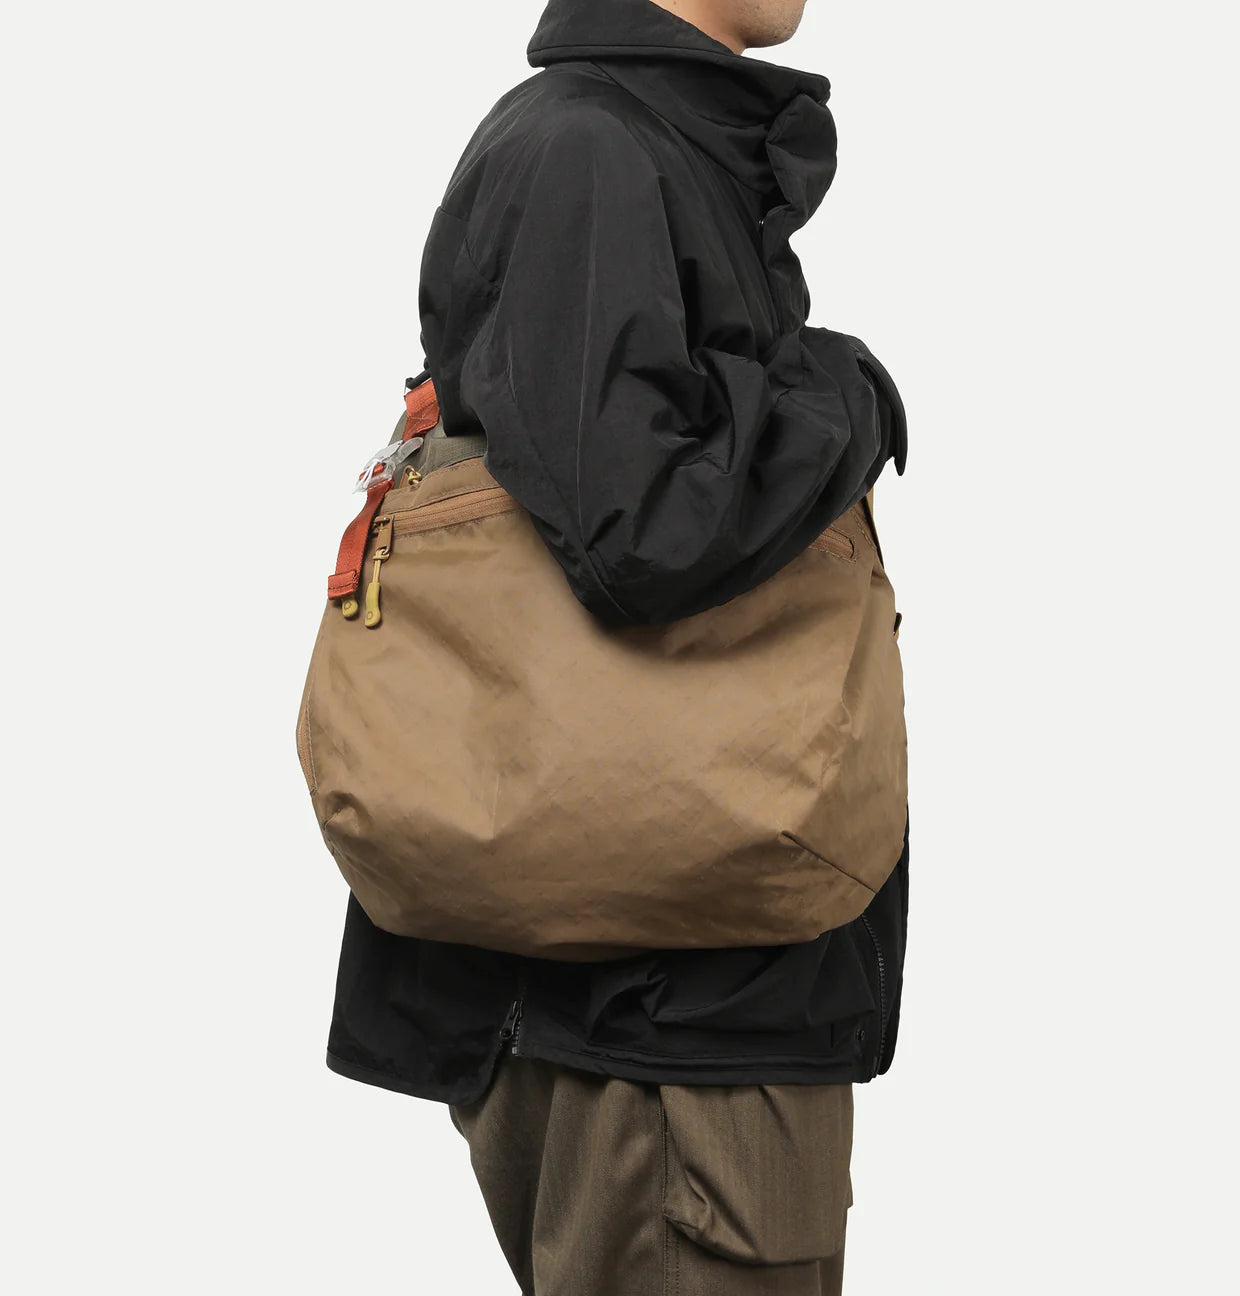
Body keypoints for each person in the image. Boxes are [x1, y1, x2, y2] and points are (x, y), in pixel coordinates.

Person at [325, 1, 909, 1291]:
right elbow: (640, 529)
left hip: (674, 1000)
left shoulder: (635, 142)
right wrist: (843, 394)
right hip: (665, 1033)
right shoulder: (589, 150)